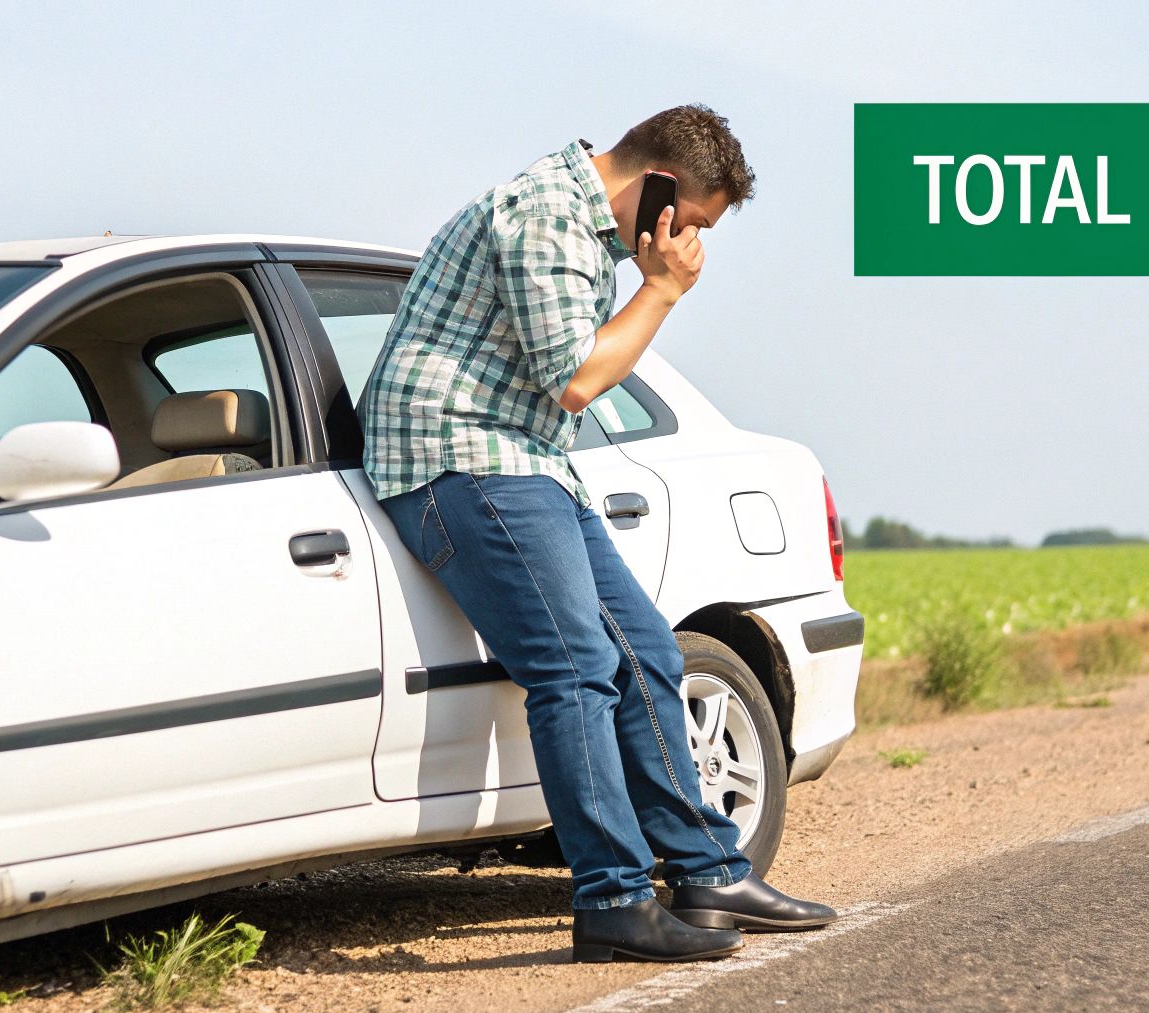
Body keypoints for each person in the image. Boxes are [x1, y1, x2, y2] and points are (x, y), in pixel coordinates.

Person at [356, 104, 836, 962]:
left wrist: (650, 279)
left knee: (647, 648)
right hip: (457, 457)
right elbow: (577, 380)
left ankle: (707, 870)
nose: (691, 244)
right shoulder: (545, 219)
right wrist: (662, 290)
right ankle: (611, 901)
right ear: (657, 185)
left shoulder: (584, 229)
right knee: (574, 668)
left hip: (528, 460)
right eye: (692, 221)